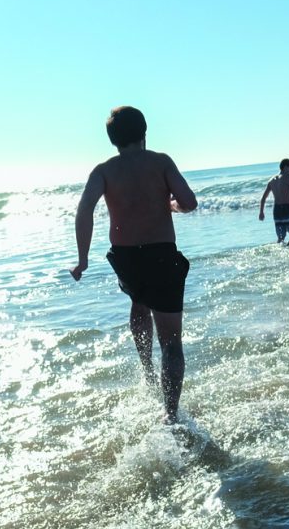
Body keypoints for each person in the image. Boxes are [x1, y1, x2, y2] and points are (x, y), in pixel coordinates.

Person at [69, 106, 199, 421]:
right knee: (171, 342)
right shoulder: (161, 162)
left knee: (139, 301)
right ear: (144, 133)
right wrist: (172, 207)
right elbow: (189, 202)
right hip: (160, 253)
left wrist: (82, 259)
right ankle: (171, 414)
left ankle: (147, 370)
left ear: (113, 140)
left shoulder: (103, 171)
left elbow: (84, 209)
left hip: (125, 258)